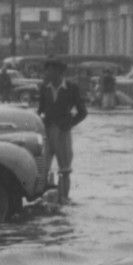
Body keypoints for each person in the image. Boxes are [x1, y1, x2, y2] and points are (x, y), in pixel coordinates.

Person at [37, 57, 87, 204]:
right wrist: (39, 123)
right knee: (43, 168)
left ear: (58, 72)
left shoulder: (71, 88)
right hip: (47, 131)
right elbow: (40, 110)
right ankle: (43, 198)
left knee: (64, 169)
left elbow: (82, 112)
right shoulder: (44, 88)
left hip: (63, 132)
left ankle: (64, 198)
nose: (46, 74)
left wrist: (70, 123)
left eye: (49, 71)